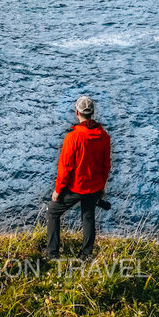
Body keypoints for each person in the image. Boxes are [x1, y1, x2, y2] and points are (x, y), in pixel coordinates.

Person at [45, 95, 111, 260]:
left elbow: (65, 168)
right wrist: (102, 186)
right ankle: (85, 255)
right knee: (88, 216)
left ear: (77, 113)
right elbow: (105, 166)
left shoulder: (72, 137)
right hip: (94, 186)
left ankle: (52, 254)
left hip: (76, 187)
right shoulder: (104, 137)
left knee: (53, 212)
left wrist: (58, 190)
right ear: (93, 113)